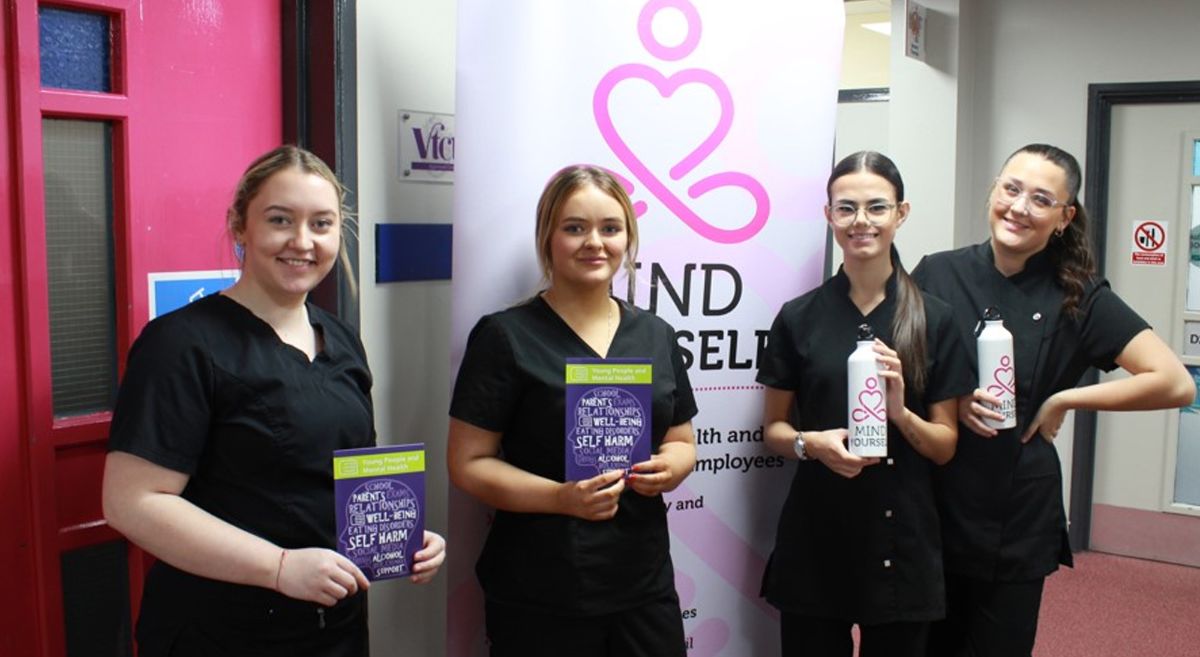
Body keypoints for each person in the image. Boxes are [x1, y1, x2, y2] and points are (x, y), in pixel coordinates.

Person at [102, 145, 446, 657]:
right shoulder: (181, 344)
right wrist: (279, 567)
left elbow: (346, 476)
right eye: (280, 220)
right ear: (241, 226)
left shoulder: (340, 338)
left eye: (322, 224)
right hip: (221, 632)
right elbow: (132, 503)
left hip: (334, 627)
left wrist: (401, 530)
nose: (302, 242)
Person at [911, 143, 1194, 657]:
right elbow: (901, 368)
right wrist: (947, 402)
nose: (1019, 208)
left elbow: (1175, 381)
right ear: (993, 191)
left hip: (1017, 508)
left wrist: (1065, 399)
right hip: (935, 498)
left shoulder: (1078, 294)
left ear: (1064, 218)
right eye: (1011, 189)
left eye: (1041, 199)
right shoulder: (937, 273)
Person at [447, 164, 698, 657]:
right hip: (540, 589)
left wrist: (673, 466)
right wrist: (562, 499)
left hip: (642, 585)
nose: (595, 243)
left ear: (628, 237)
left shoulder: (655, 335)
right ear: (547, 237)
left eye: (610, 228)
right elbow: (467, 463)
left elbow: (682, 440)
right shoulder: (505, 336)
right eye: (574, 228)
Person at [757, 151, 974, 657]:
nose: (862, 221)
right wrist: (812, 445)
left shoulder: (935, 319)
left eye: (877, 207)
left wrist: (901, 412)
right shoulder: (799, 317)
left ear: (901, 214)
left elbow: (944, 447)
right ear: (829, 215)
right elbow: (774, 430)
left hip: (903, 539)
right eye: (846, 208)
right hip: (817, 533)